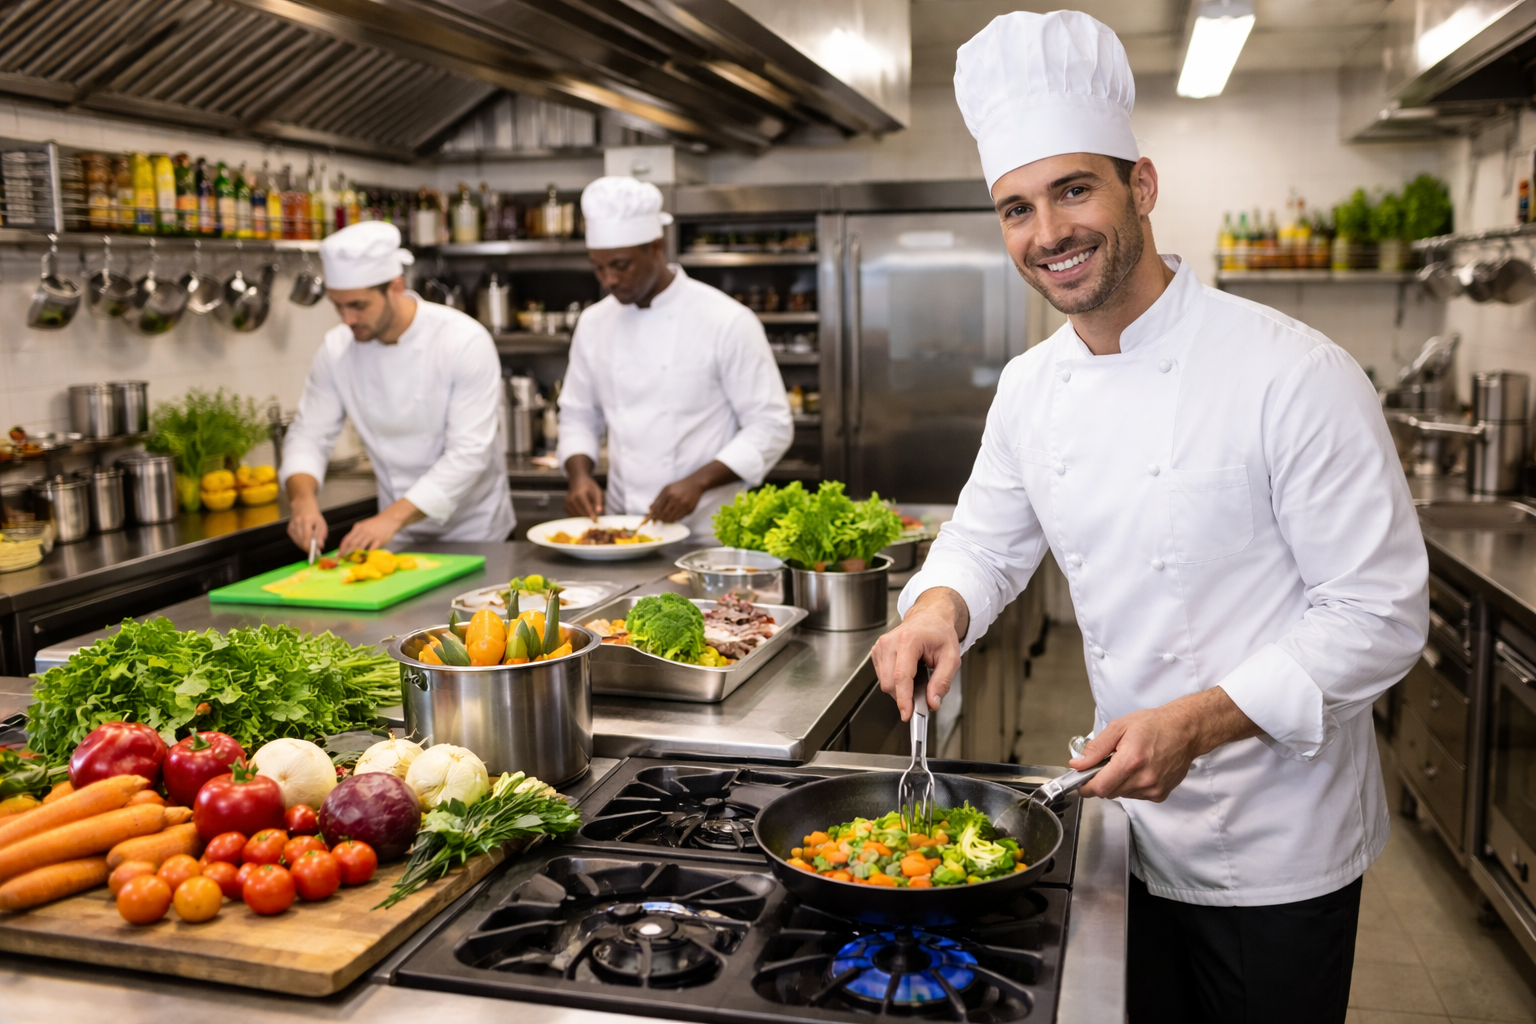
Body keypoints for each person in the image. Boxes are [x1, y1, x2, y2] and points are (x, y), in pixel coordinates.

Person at [870, 11, 1428, 1023]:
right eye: (1015, 209)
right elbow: (986, 537)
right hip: (1123, 821)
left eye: (1074, 189)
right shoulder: (1033, 385)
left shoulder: (1293, 374)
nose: (1047, 235)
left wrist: (1194, 724)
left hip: (1276, 846)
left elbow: (1378, 614)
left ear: (1144, 185)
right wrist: (934, 612)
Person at [556, 176, 793, 534]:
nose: (609, 280)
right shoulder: (594, 323)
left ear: (656, 247)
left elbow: (771, 425)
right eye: (598, 267)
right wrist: (579, 476)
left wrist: (697, 482)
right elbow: (578, 414)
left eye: (620, 265)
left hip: (709, 531)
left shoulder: (725, 320)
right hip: (626, 525)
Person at [281, 220, 514, 553]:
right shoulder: (336, 350)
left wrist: (390, 518)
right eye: (338, 306)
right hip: (397, 538)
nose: (347, 320)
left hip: (476, 533)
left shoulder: (463, 340)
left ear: (395, 287)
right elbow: (309, 435)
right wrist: (303, 502)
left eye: (358, 306)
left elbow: (468, 454)